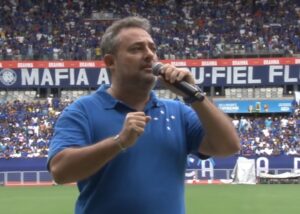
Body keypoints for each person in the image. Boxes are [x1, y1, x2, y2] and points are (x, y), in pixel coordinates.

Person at [47, 16, 240, 214]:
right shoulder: (82, 111)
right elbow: (60, 171)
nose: (149, 55)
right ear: (110, 61)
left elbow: (229, 146)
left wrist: (194, 94)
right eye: (136, 49)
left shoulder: (178, 111)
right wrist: (119, 142)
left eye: (152, 48)